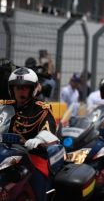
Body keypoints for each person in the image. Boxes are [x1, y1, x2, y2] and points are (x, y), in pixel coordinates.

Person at [2, 67, 58, 201]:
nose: (21, 91)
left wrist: (39, 139)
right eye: (17, 88)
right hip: (6, 155)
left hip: (33, 157)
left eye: (25, 88)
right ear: (11, 90)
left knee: (37, 186)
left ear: (33, 89)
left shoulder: (42, 108)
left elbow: (49, 129)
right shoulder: (4, 106)